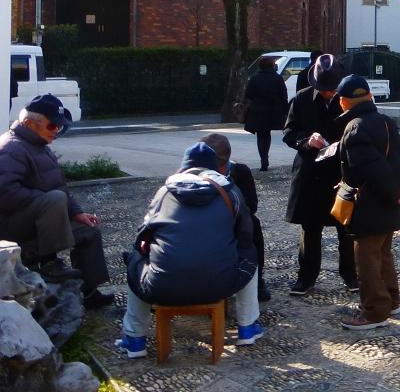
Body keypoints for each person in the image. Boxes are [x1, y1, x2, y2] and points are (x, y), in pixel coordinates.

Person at [115, 142, 262, 358]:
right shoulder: (231, 192)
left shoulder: (164, 192)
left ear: (184, 167)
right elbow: (246, 236)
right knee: (249, 254)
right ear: (214, 167)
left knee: (136, 258)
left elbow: (144, 235)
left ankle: (135, 339)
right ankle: (247, 327)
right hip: (220, 284)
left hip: (162, 286)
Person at [0, 95, 111, 309]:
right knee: (54, 199)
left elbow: (59, 186)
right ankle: (48, 262)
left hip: (38, 218)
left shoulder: (39, 145)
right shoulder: (11, 147)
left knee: (87, 231)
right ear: (29, 123)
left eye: (59, 127)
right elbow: (4, 192)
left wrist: (76, 212)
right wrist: (47, 201)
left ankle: (88, 291)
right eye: (52, 125)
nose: (56, 131)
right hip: (9, 227)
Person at [334, 75, 400, 330]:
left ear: (343, 102)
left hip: (370, 203)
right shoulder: (385, 122)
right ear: (370, 97)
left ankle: (374, 311)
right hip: (390, 201)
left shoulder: (355, 128)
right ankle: (391, 301)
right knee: (383, 254)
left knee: (367, 259)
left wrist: (394, 192)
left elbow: (372, 170)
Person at [281, 54, 356, 295]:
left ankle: (351, 275)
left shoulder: (348, 100)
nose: (328, 93)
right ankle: (306, 277)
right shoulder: (302, 99)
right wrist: (306, 140)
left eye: (332, 89)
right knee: (310, 228)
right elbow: (289, 133)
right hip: (310, 171)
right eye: (323, 89)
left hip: (340, 170)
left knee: (346, 227)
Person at [199, 133, 270, 302]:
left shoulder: (240, 171)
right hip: (205, 225)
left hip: (233, 221)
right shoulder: (194, 175)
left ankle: (256, 279)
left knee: (253, 224)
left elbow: (251, 205)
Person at [243, 57, 288, 171]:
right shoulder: (278, 78)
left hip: (258, 110)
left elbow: (248, 94)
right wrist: (286, 111)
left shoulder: (254, 78)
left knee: (261, 135)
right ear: (272, 66)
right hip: (274, 110)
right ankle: (265, 158)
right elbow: (284, 96)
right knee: (267, 134)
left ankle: (263, 159)